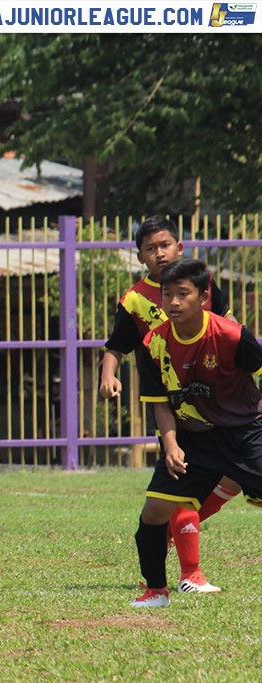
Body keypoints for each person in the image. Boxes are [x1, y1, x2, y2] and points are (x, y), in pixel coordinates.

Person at [99, 216, 240, 594]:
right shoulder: (134, 301)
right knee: (184, 478)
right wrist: (108, 375)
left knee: (232, 479)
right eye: (150, 248)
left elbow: (229, 326)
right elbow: (117, 345)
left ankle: (170, 535)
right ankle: (190, 573)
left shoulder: (201, 283)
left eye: (165, 244)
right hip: (176, 406)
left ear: (179, 247)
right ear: (141, 257)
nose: (159, 252)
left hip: (219, 400)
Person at [130, 258, 262, 608]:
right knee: (154, 511)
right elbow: (160, 402)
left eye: (182, 294)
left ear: (204, 297)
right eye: (167, 294)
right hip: (192, 438)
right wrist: (171, 444)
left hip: (245, 434)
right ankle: (156, 592)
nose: (173, 302)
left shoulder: (232, 335)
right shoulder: (152, 344)